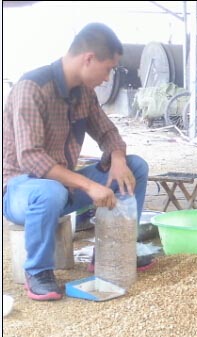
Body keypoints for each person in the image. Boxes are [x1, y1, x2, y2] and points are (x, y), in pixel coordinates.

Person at [2, 23, 149, 301]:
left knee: (135, 167)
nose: (107, 78)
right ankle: (38, 273)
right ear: (89, 58)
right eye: (108, 69)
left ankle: (111, 254)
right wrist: (88, 186)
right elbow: (31, 158)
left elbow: (107, 132)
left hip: (64, 189)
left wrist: (117, 158)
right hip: (22, 192)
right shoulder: (31, 88)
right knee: (50, 189)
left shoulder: (84, 93)